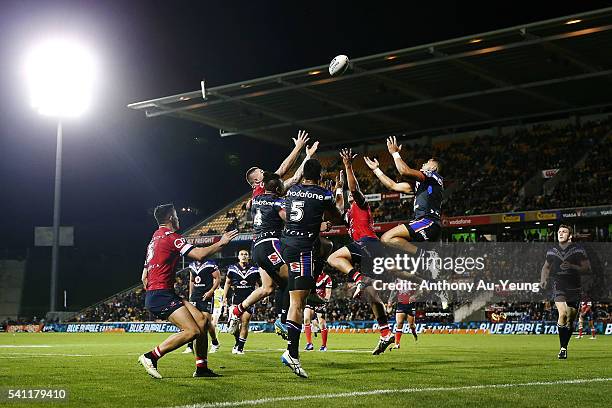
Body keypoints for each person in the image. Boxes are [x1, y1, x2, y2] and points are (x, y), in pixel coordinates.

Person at [230, 142, 319, 338]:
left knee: (268, 287)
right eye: (261, 172)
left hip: (259, 246)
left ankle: (237, 310)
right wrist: (298, 149)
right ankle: (283, 318)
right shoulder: (262, 191)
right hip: (271, 243)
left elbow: (295, 177)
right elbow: (283, 170)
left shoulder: (264, 196)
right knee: (292, 277)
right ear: (256, 182)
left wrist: (307, 157)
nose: (265, 172)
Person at [138, 204, 238, 379]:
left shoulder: (154, 238)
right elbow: (199, 254)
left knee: (202, 321)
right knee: (192, 331)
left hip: (161, 292)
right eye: (176, 215)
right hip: (161, 294)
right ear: (170, 218)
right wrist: (221, 243)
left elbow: (143, 275)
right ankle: (150, 357)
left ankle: (201, 367)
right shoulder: (172, 237)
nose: (178, 219)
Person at [327, 148, 399, 355]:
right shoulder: (348, 214)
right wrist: (338, 189)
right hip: (370, 249)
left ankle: (359, 277)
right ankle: (385, 333)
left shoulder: (361, 205)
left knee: (334, 257)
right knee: (370, 293)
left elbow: (355, 189)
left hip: (369, 243)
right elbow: (337, 208)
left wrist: (348, 167)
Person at [280, 159, 342, 378]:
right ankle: (292, 353)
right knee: (299, 302)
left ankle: (310, 290)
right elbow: (338, 215)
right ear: (321, 176)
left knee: (326, 245)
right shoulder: (324, 194)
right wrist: (338, 193)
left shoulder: (292, 190)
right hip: (303, 249)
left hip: (286, 244)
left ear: (303, 174)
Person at [364, 136, 443, 254]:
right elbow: (393, 186)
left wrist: (395, 154)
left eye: (427, 163)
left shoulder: (432, 175)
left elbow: (404, 171)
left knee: (387, 238)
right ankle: (426, 259)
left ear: (433, 167)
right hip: (427, 225)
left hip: (428, 221)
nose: (423, 163)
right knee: (390, 240)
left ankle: (425, 257)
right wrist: (376, 170)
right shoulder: (423, 185)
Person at [540, 224, 591, 359]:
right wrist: (543, 279)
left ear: (570, 236)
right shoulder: (551, 251)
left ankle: (564, 346)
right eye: (559, 231)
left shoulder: (578, 250)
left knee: (570, 321)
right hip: (559, 285)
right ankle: (562, 349)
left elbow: (587, 268)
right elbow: (546, 267)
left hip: (574, 288)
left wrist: (573, 266)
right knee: (562, 314)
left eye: (564, 232)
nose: (561, 233)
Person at [223, 250, 260, 354]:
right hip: (236, 300)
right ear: (238, 256)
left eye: (246, 254)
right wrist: (224, 297)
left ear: (249, 257)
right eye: (242, 254)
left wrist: (262, 295)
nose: (244, 256)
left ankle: (240, 348)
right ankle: (237, 342)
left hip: (250, 299)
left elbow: (259, 283)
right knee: (234, 326)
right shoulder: (232, 269)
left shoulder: (255, 269)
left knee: (245, 323)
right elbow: (227, 283)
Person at [186, 259, 222, 354]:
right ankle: (189, 346)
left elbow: (218, 278)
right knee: (192, 321)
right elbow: (192, 280)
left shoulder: (211, 263)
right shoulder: (191, 264)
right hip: (195, 296)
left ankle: (215, 342)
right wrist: (190, 294)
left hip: (206, 295)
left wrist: (211, 291)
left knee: (206, 323)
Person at [304, 271, 332, 352]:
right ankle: (309, 344)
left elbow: (328, 293)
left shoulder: (326, 278)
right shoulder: (310, 276)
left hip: (320, 301)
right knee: (306, 319)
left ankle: (324, 345)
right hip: (310, 300)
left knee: (322, 324)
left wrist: (325, 302)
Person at [387, 278, 418, 349]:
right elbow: (394, 290)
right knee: (399, 323)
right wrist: (390, 301)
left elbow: (420, 290)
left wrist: (415, 296)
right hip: (401, 304)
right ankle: (397, 344)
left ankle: (414, 332)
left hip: (411, 305)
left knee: (411, 325)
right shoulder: (397, 279)